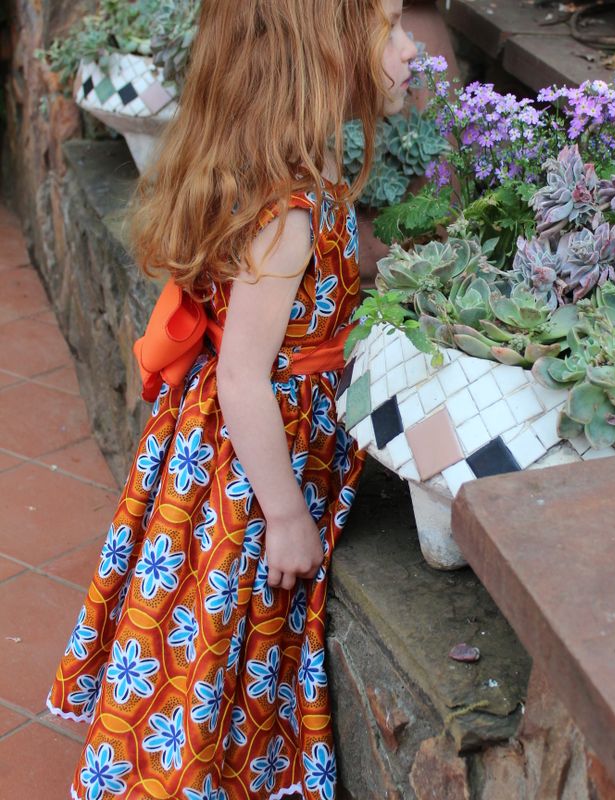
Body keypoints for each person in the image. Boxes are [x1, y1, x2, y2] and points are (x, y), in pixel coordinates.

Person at [46, 2, 417, 798]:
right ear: (324, 51)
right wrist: (285, 517)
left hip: (248, 459)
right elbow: (244, 376)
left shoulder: (303, 182)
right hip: (247, 485)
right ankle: (184, 775)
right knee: (215, 639)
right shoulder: (288, 214)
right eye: (392, 26)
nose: (412, 47)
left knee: (231, 643)